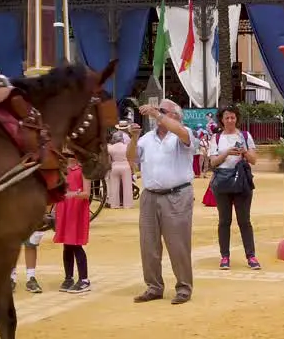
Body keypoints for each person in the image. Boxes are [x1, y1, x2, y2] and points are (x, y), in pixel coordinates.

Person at [135, 99, 198, 304]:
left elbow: (181, 133)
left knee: (178, 244)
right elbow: (132, 160)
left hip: (177, 195)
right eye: (157, 110)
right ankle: (153, 286)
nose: (156, 113)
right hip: (150, 195)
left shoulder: (183, 133)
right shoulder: (146, 139)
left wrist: (156, 114)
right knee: (148, 245)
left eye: (162, 111)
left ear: (175, 116)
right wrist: (132, 137)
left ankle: (183, 287)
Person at [208, 105, 261, 270]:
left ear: (237, 118)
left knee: (244, 221)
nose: (230, 120)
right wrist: (227, 153)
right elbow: (213, 162)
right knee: (224, 221)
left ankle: (251, 255)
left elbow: (253, 160)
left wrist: (244, 151)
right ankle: (225, 256)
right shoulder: (216, 139)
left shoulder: (245, 136)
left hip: (242, 181)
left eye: (232, 117)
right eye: (226, 118)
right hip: (223, 181)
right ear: (222, 120)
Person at [53, 155, 92, 294]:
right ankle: (68, 277)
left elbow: (87, 193)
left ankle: (84, 279)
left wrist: (73, 194)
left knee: (75, 244)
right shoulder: (62, 170)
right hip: (64, 208)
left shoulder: (84, 170)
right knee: (67, 245)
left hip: (77, 210)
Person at [106, 124, 135, 209]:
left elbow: (108, 158)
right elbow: (131, 157)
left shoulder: (110, 147)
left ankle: (114, 204)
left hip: (114, 166)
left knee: (114, 186)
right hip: (125, 166)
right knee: (127, 186)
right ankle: (128, 204)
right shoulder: (127, 147)